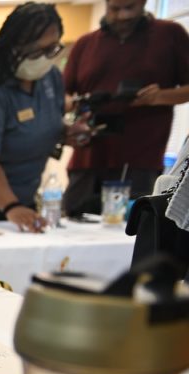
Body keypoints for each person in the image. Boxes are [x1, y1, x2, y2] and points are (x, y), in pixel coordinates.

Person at [0, 2, 90, 232]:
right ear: (14, 46)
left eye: (52, 48)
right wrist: (12, 208)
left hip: (24, 191)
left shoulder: (50, 78)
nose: (45, 57)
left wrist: (65, 132)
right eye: (36, 50)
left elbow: (43, 121)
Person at [62, 0, 189, 216]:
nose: (122, 16)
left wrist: (160, 97)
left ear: (143, 3)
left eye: (129, 8)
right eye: (115, 9)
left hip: (140, 158)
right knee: (71, 223)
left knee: (132, 231)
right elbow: (61, 96)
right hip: (88, 156)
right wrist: (79, 104)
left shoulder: (170, 35)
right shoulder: (86, 44)